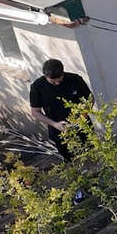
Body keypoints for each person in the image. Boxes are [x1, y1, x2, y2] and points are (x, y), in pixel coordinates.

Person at [29, 59, 91, 202]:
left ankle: (92, 181)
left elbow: (89, 98)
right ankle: (79, 189)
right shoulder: (37, 87)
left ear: (63, 73)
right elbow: (36, 112)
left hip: (82, 125)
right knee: (70, 161)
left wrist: (84, 114)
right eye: (53, 82)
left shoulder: (74, 79)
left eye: (59, 80)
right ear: (45, 76)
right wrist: (55, 124)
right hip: (59, 130)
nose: (57, 83)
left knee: (89, 155)